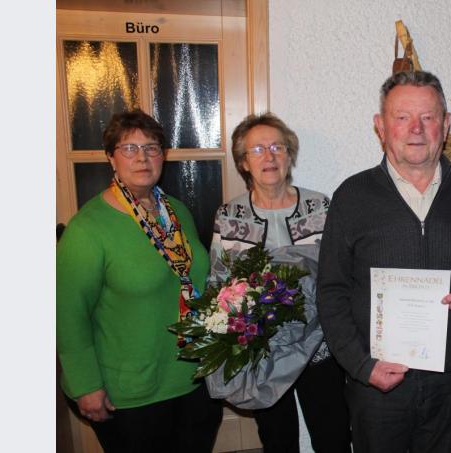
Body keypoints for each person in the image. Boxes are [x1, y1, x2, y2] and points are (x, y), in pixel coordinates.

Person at [316, 70, 451, 453]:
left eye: (428, 117)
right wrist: (362, 366)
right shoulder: (352, 196)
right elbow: (332, 291)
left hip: (449, 377)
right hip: (376, 382)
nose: (416, 129)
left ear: (446, 125)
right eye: (402, 117)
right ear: (380, 126)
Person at [57, 110, 223, 452]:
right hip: (131, 393)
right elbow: (68, 313)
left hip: (194, 378)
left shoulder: (175, 210)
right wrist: (85, 384)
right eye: (129, 148)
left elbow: (194, 282)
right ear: (111, 158)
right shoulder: (89, 229)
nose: (143, 158)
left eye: (152, 147)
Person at [208, 113, 351, 453]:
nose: (269, 156)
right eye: (257, 149)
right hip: (263, 353)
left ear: (290, 155)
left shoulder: (321, 206)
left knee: (333, 437)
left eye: (277, 147)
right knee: (278, 441)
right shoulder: (229, 215)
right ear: (244, 162)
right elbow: (219, 283)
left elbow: (342, 274)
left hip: (320, 347)